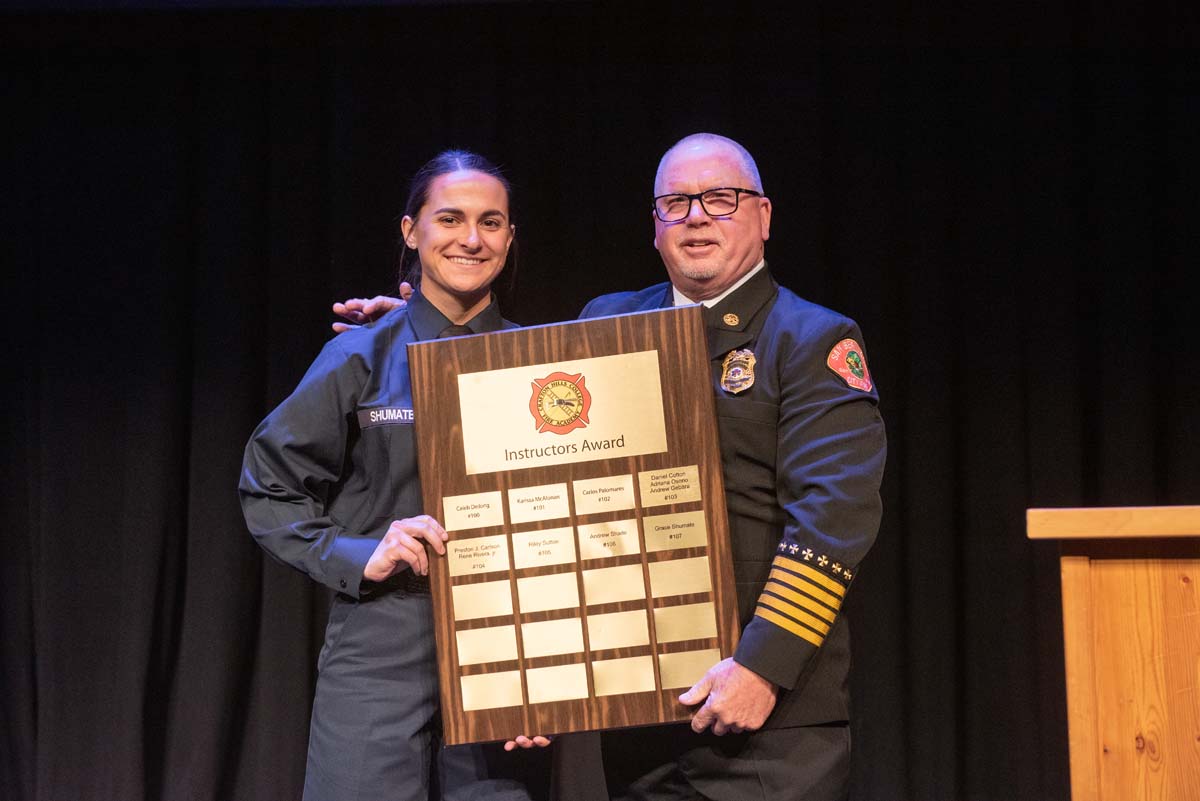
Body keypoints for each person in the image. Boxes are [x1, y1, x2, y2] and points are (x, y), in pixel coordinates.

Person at [335, 133, 887, 801]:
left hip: (769, 720)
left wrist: (761, 667)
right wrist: (426, 336)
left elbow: (832, 522)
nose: (696, 216)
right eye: (675, 202)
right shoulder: (612, 321)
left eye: (720, 198)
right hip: (641, 714)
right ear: (655, 226)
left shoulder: (813, 339)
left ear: (763, 216)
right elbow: (531, 418)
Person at [239, 150, 547, 801]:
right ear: (412, 230)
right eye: (451, 218)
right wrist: (358, 552)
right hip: (380, 641)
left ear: (510, 237)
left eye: (491, 222)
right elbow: (268, 482)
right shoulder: (360, 355)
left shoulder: (540, 366)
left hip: (505, 654)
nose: (472, 237)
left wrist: (556, 668)